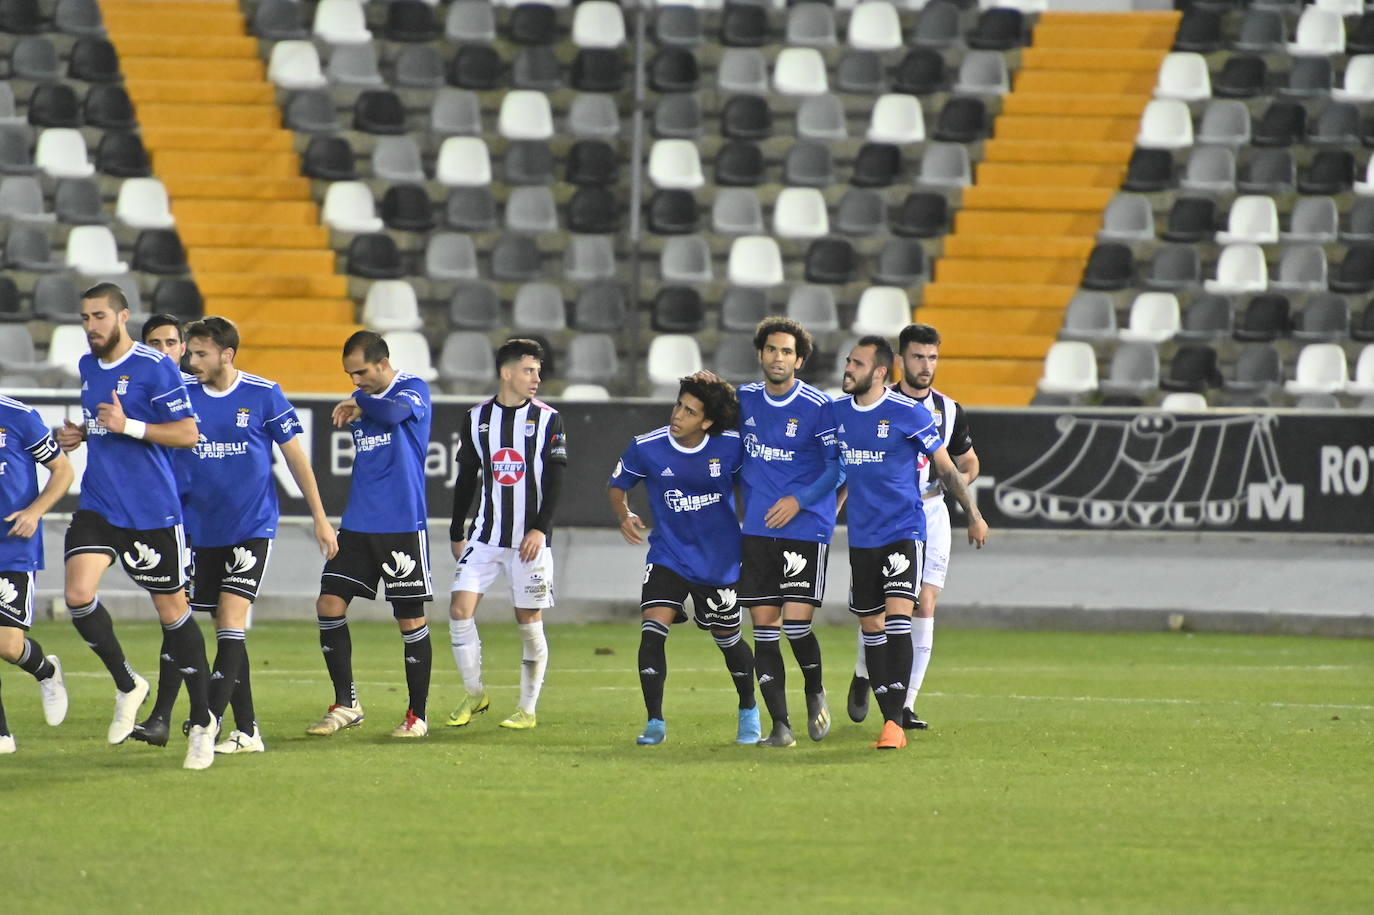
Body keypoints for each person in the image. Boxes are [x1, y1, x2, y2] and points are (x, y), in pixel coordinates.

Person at [133, 317, 338, 754]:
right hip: (198, 532)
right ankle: (248, 732)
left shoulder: (263, 393)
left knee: (230, 618)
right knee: (221, 627)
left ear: (227, 354)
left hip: (251, 525)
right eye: (189, 353)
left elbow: (297, 461)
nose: (191, 361)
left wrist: (320, 517)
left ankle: (206, 723)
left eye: (200, 353)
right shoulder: (181, 397)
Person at [55, 283, 218, 770]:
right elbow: (103, 425)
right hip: (101, 504)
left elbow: (189, 433)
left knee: (173, 613)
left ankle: (204, 722)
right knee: (78, 595)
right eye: (85, 317)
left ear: (122, 316)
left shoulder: (154, 366)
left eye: (99, 316)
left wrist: (129, 426)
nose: (91, 326)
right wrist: (79, 434)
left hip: (151, 512)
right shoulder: (87, 367)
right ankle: (129, 683)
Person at [831, 336, 988, 750]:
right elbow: (843, 469)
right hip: (864, 531)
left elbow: (956, 466)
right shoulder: (842, 411)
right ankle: (869, 679)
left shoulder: (929, 412)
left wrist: (971, 513)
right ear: (899, 362)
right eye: (918, 356)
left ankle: (898, 716)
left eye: (856, 363)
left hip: (912, 524)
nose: (926, 364)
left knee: (912, 610)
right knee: (871, 622)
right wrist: (824, 513)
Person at [609, 376, 759, 746]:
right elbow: (617, 486)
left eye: (690, 411)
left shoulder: (731, 446)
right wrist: (624, 513)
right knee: (651, 631)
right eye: (678, 405)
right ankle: (655, 722)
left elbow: (758, 486)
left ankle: (748, 709)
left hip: (719, 561)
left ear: (707, 421)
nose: (678, 415)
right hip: (668, 554)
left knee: (728, 640)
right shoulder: (647, 447)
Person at [308, 331, 434, 738]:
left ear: (382, 363)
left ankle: (417, 716)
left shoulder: (412, 389)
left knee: (409, 618)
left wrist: (360, 401)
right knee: (329, 604)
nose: (355, 381)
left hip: (401, 524)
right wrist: (361, 401)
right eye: (349, 375)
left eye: (360, 372)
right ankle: (347, 704)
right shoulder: (364, 402)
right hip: (359, 523)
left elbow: (396, 415)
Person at [732, 318, 841, 748]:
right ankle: (781, 726)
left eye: (787, 352)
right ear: (760, 354)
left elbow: (837, 467)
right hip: (757, 528)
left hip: (804, 528)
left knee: (795, 626)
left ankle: (814, 690)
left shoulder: (819, 406)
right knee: (762, 627)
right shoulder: (742, 400)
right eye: (771, 350)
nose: (778, 358)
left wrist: (799, 500)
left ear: (799, 359)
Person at [446, 339, 565, 731]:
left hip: (528, 541)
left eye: (538, 371)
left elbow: (556, 478)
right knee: (459, 610)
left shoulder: (549, 419)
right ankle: (475, 692)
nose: (537, 378)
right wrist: (456, 528)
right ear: (507, 372)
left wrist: (539, 529)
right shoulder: (477, 417)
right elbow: (467, 476)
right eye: (529, 370)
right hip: (485, 535)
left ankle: (527, 709)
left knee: (528, 621)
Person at [128, 313, 198, 746]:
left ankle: (202, 714)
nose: (164, 351)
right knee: (173, 614)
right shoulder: (141, 395)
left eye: (171, 342)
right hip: (166, 516)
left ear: (184, 347)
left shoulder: (200, 390)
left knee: (198, 617)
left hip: (207, 520)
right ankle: (173, 716)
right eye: (154, 343)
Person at [0, 394, 74, 753]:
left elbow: (63, 470)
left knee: (7, 645)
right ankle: (1, 735)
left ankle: (45, 671)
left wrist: (34, 512)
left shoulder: (18, 416)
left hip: (11, 546)